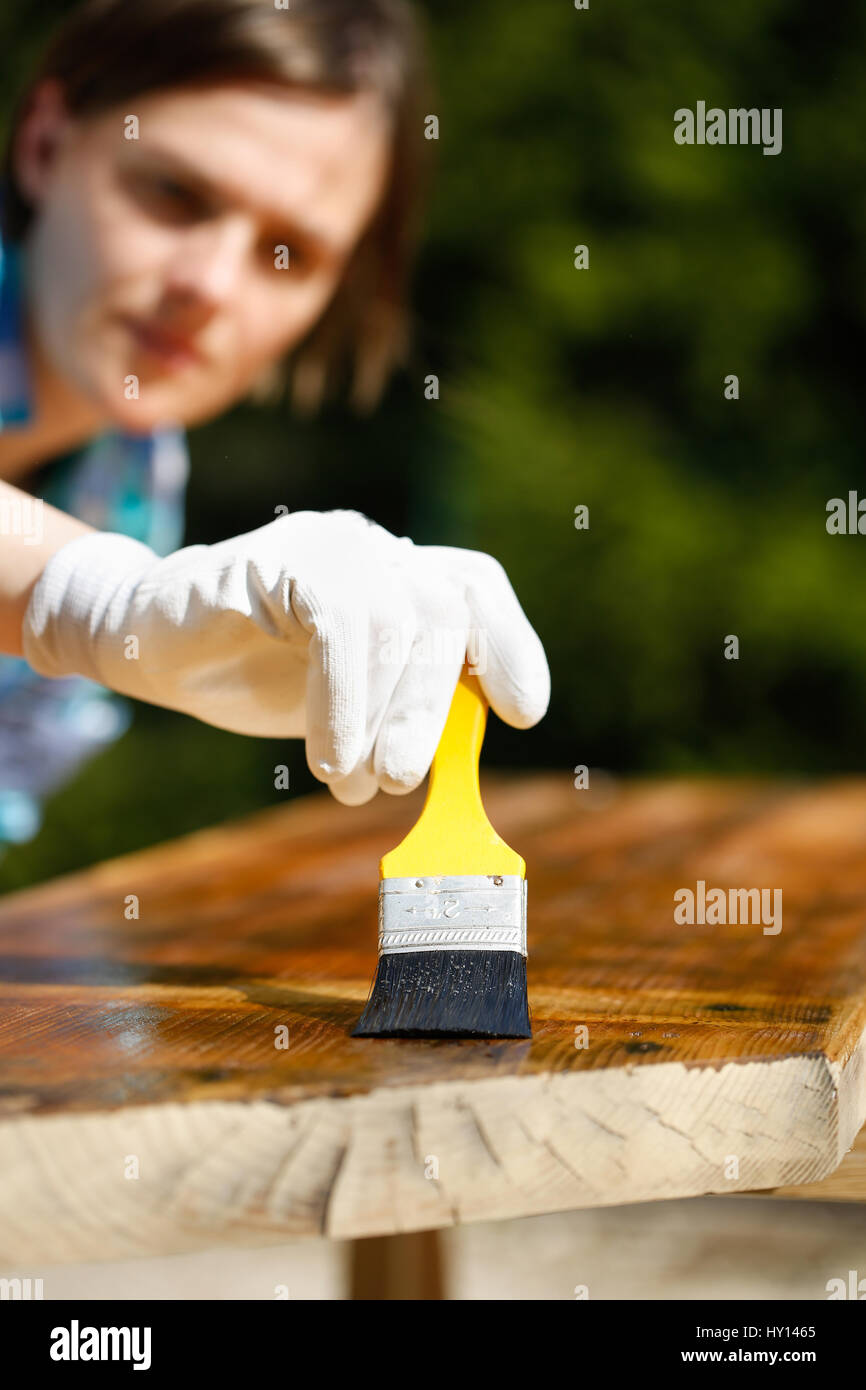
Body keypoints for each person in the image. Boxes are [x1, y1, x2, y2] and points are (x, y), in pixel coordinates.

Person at [0, 0, 549, 861]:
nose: (211, 284)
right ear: (44, 144)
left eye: (288, 252)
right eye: (176, 193)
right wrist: (101, 603)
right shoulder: (125, 548)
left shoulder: (133, 482)